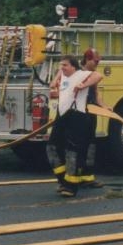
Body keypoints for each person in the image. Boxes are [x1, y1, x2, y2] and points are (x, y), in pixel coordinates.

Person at [46, 55, 101, 198]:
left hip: (77, 116)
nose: (62, 68)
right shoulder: (64, 74)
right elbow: (58, 75)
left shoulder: (80, 75)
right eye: (61, 65)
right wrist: (55, 80)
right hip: (62, 115)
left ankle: (71, 187)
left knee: (72, 152)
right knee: (52, 148)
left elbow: (98, 75)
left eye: (65, 65)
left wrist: (84, 85)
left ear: (73, 67)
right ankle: (63, 180)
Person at [79, 48, 107, 188]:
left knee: (90, 144)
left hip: (91, 113)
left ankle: (88, 176)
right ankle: (75, 176)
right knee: (78, 145)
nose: (98, 63)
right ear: (88, 59)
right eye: (96, 61)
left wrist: (104, 107)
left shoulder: (92, 74)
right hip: (78, 114)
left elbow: (96, 93)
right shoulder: (77, 73)